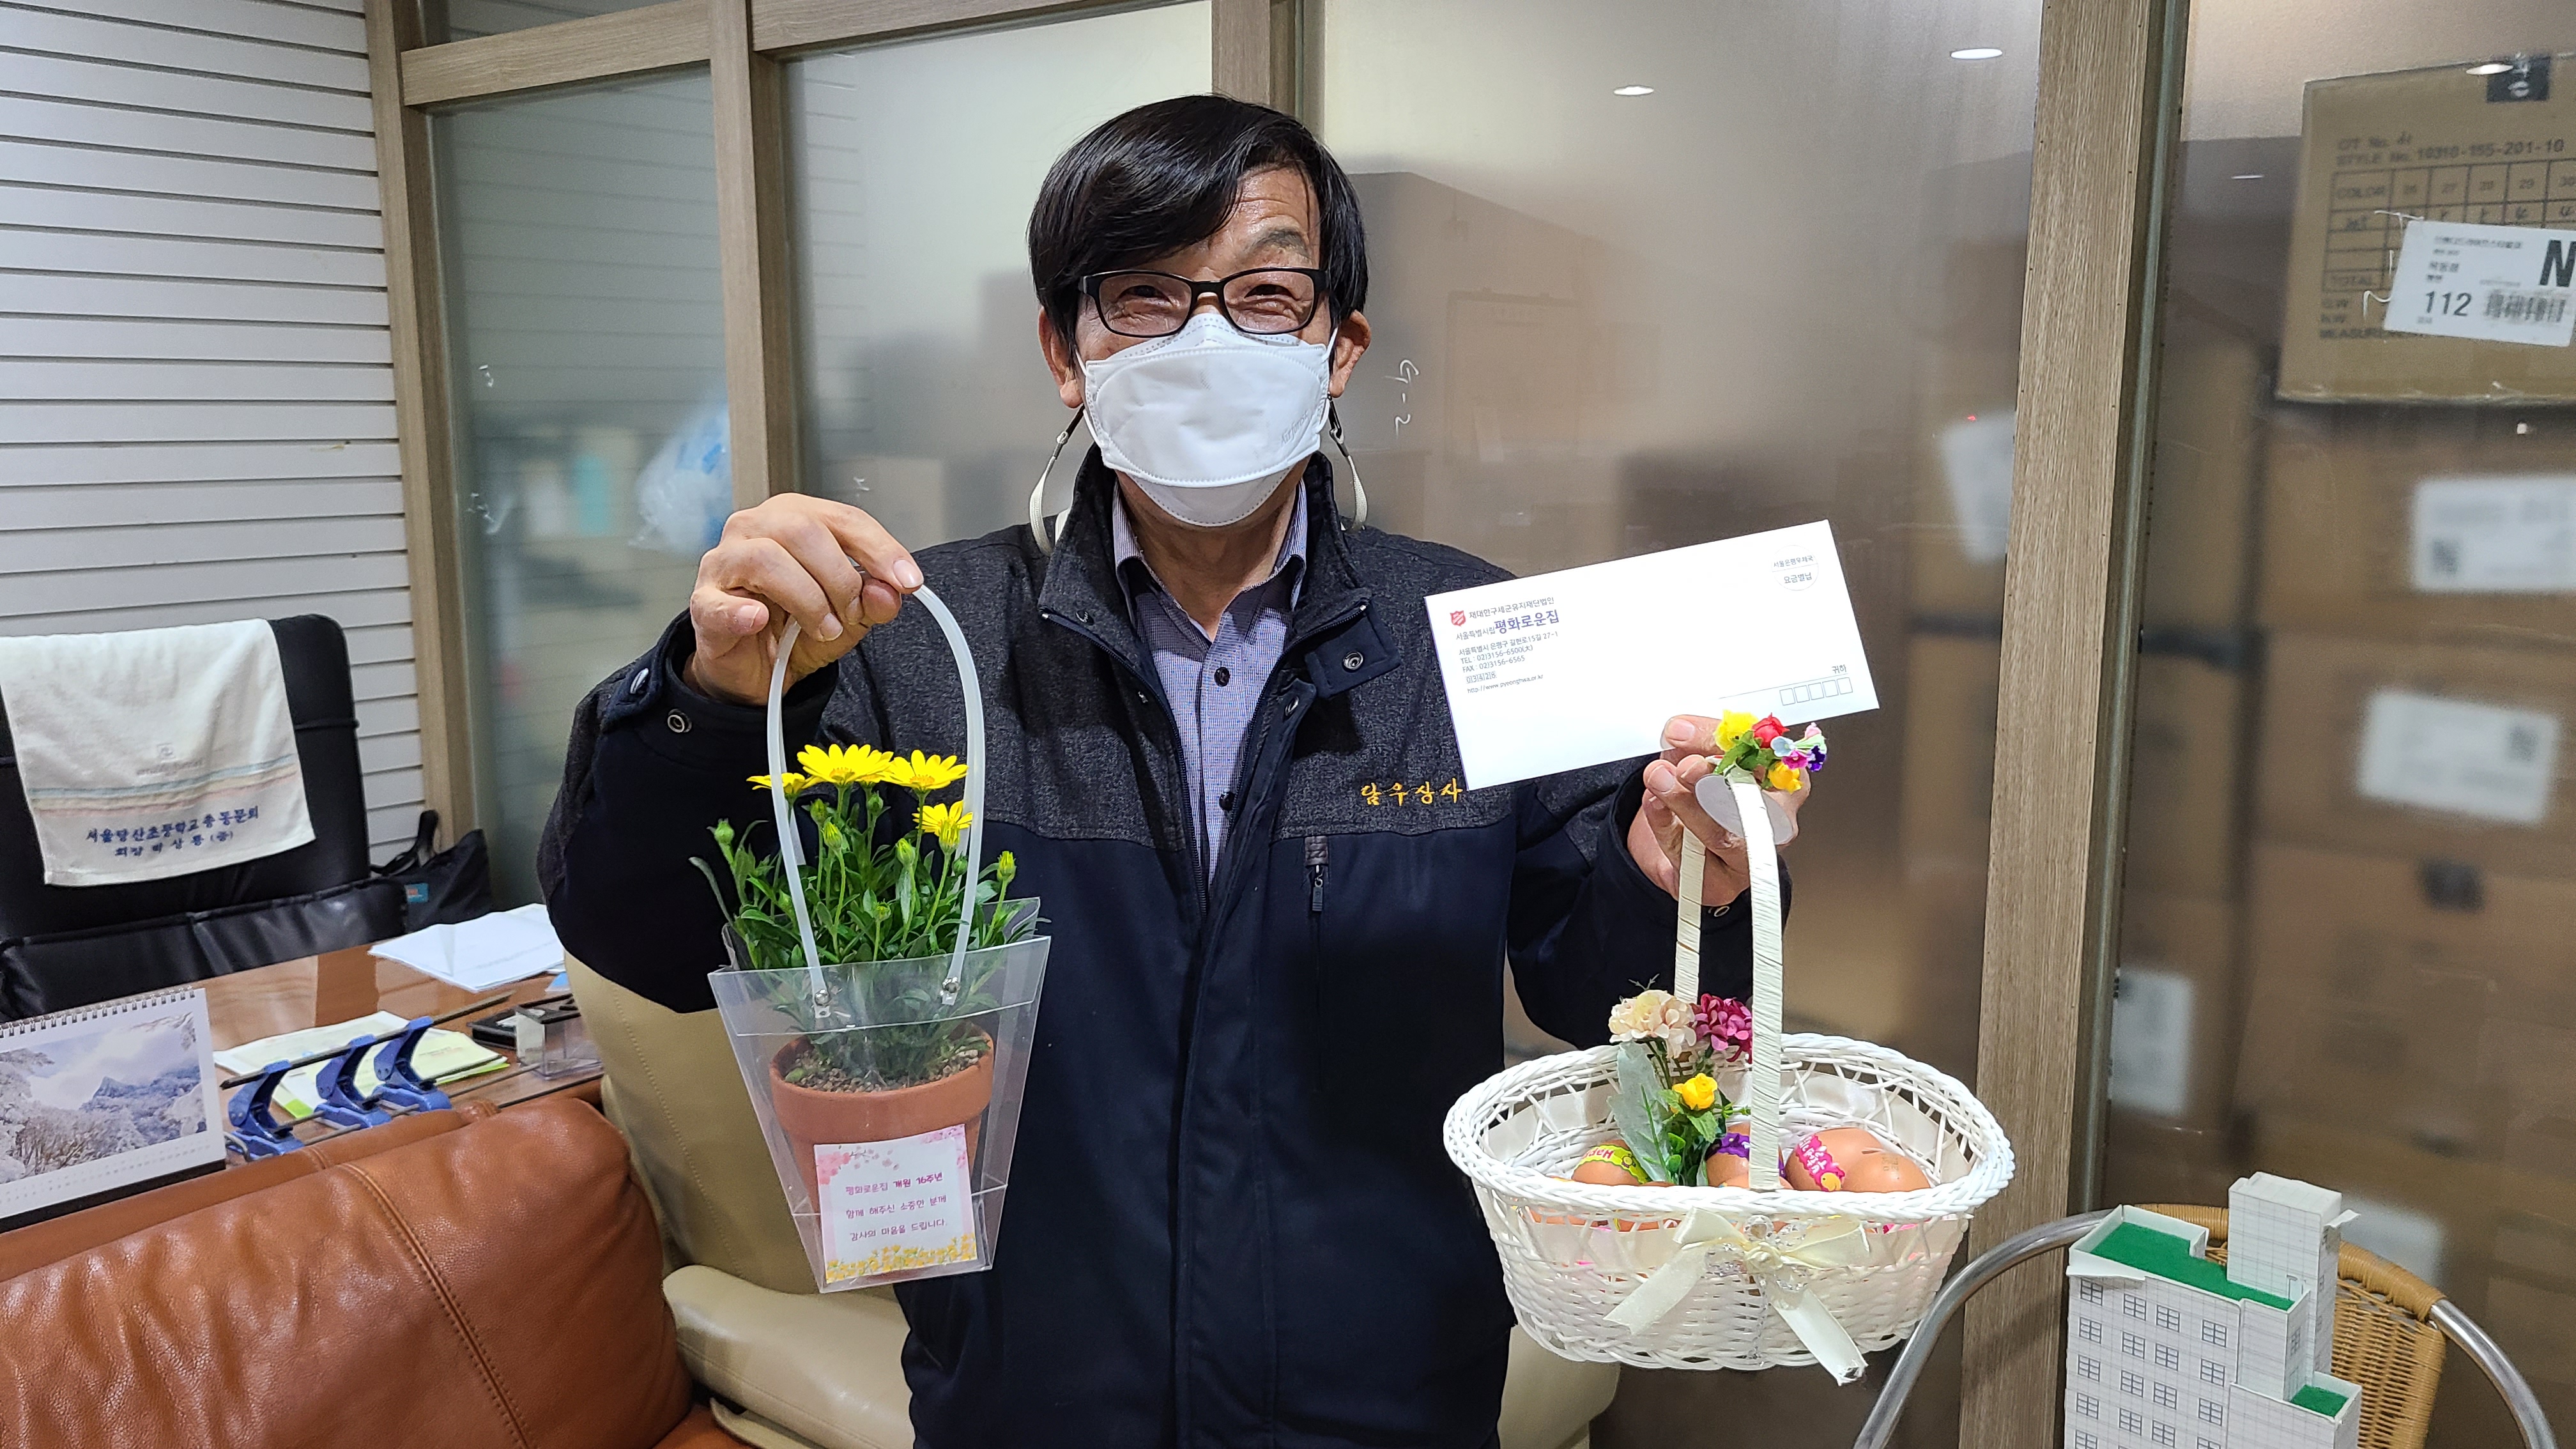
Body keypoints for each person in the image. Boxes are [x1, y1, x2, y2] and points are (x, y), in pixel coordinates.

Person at [542, 95, 1801, 1449]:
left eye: (1266, 294)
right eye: (1144, 295)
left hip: (1386, 1400)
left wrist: (1680, 877)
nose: (1207, 341)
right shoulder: (914, 645)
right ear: (1065, 350)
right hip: (1033, 1404)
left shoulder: (1469, 641)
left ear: (1339, 348)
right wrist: (711, 701)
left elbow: (1598, 998)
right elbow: (649, 941)